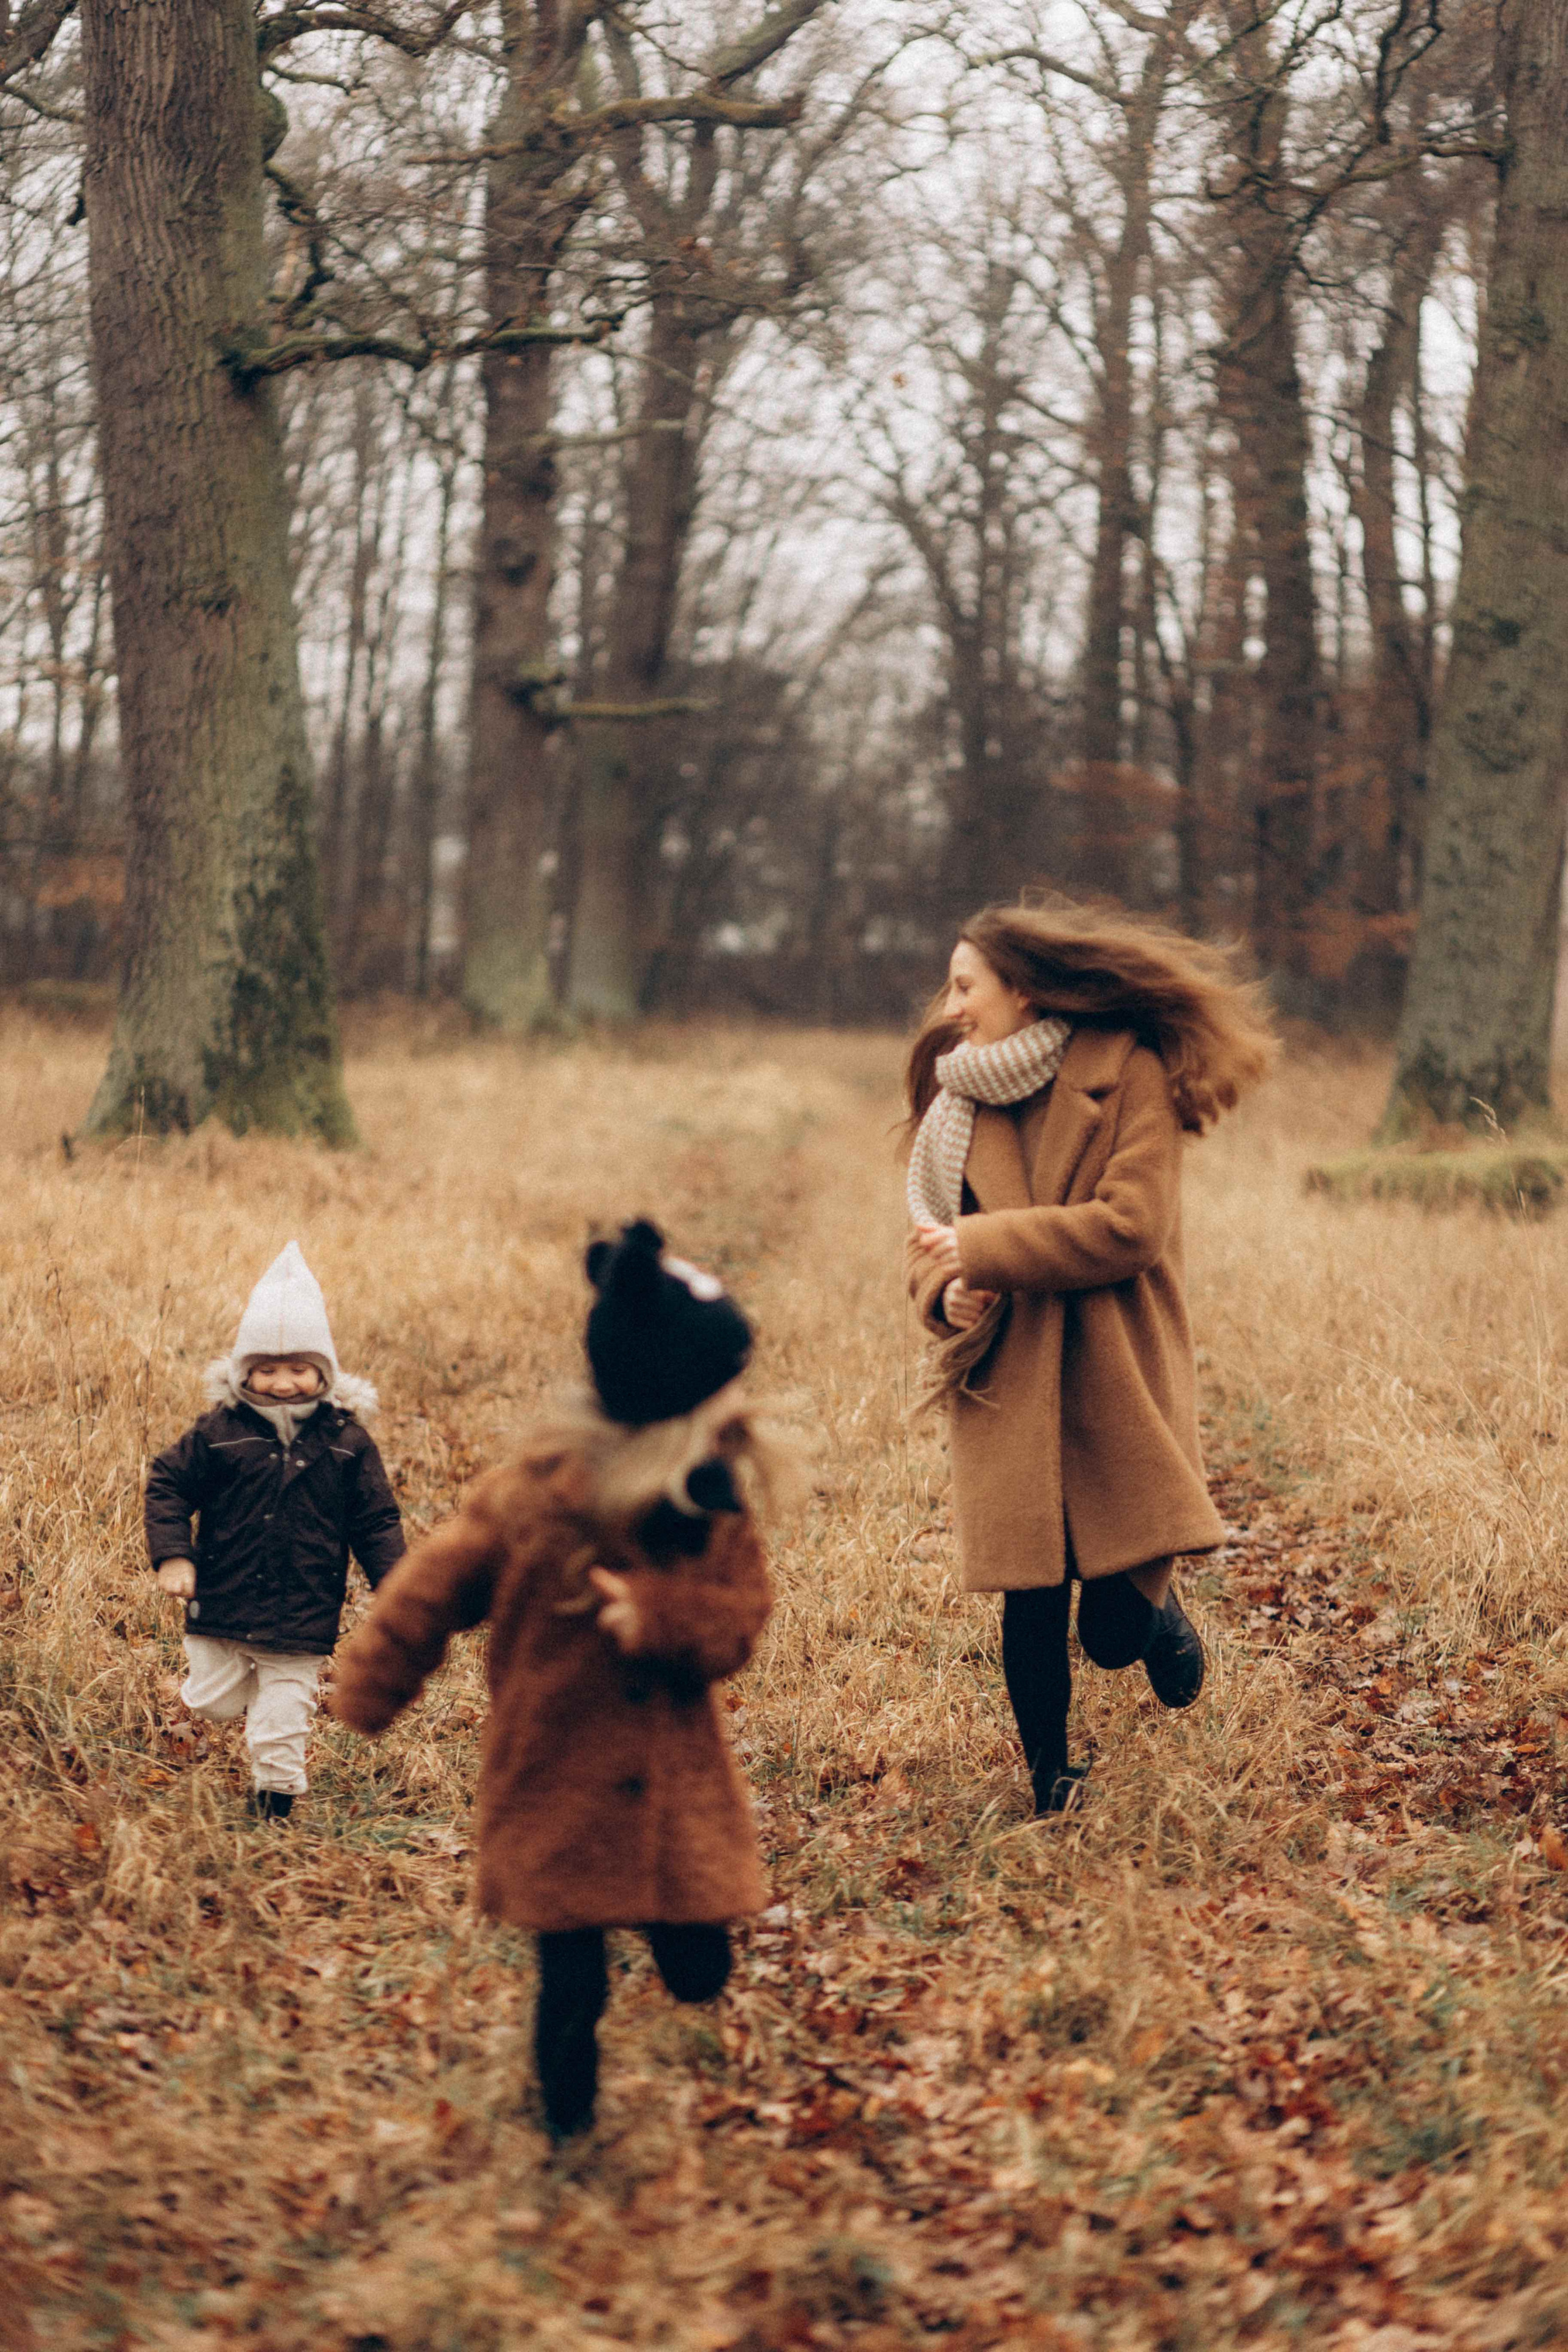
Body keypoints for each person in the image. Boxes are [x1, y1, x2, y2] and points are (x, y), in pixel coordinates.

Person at [330, 1220, 783, 2144]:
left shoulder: (716, 1502)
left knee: (699, 1965)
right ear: (669, 1402)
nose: (743, 1400)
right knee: (569, 1975)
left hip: (672, 1784)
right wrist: (374, 1679)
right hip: (555, 1772)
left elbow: (742, 1617)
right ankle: (567, 2128)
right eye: (726, 1384)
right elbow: (435, 1583)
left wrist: (660, 1616)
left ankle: (680, 1944)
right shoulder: (534, 1499)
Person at [905, 902, 1274, 1815]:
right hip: (1010, 1380)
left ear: (1024, 992)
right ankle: (1050, 1781)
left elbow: (1132, 1230)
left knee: (1109, 1630)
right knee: (1028, 1597)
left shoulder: (1128, 1072)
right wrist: (945, 1299)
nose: (949, 1006)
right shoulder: (956, 1106)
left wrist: (985, 1250)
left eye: (966, 986)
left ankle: (1156, 1618)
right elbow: (926, 1251)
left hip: (1114, 1367)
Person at [145, 1241, 405, 1821]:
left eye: (297, 1369)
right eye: (266, 1369)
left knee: (281, 1717)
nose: (283, 1383)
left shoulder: (347, 1443)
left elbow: (376, 1520)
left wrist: (398, 1587)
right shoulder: (219, 1432)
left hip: (302, 1611)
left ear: (323, 1370)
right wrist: (173, 1556)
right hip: (222, 1600)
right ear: (244, 1371)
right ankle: (225, 1699)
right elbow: (167, 1483)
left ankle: (275, 1802)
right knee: (213, 1702)